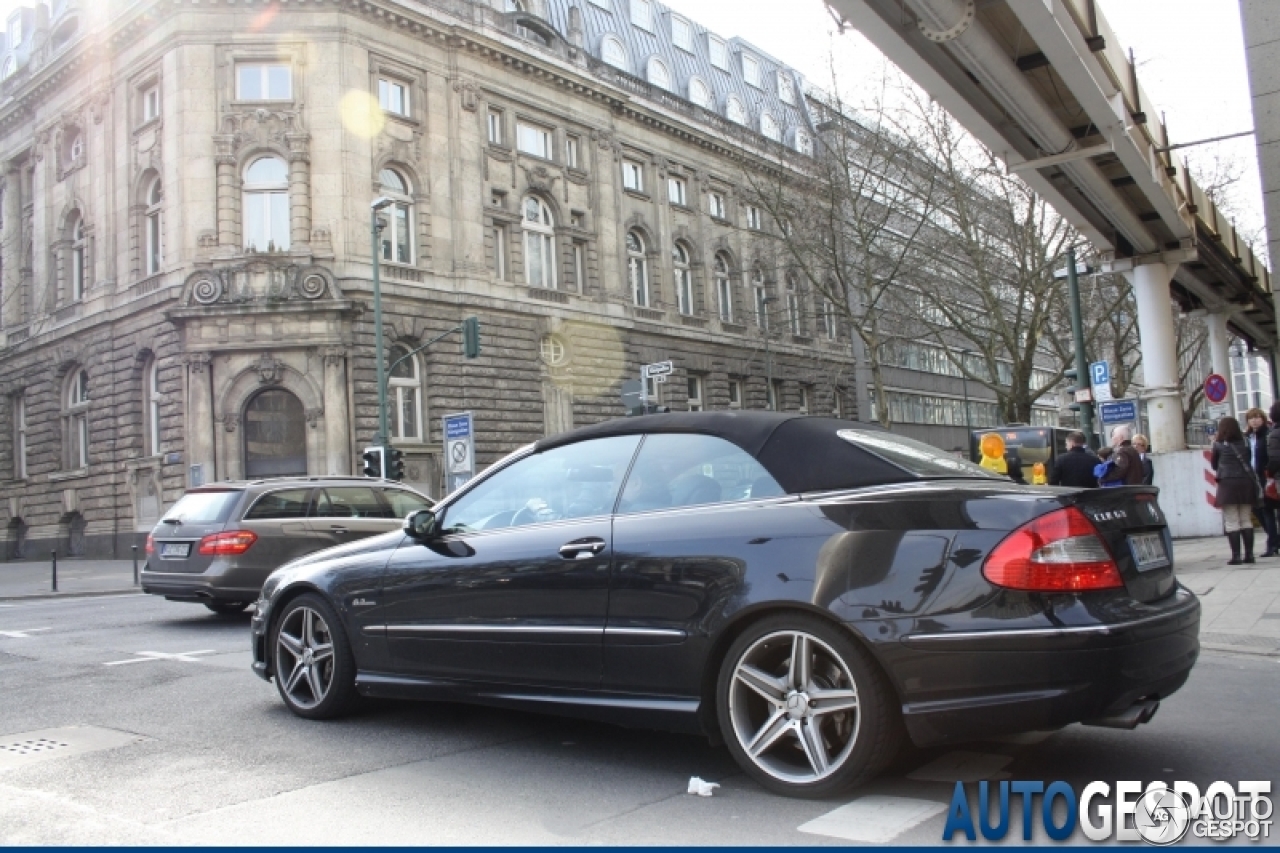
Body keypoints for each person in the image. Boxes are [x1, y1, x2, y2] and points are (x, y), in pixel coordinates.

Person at [1211, 416, 1261, 565]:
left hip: (1227, 484)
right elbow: (1249, 460)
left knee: (1232, 520)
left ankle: (1236, 556)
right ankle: (1250, 555)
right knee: (1245, 518)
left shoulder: (1218, 444)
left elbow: (1214, 465)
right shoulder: (1245, 442)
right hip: (1246, 483)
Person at [1244, 408, 1279, 557]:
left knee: (1268, 509)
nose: (1254, 420)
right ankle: (1274, 540)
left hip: (1267, 475)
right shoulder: (1248, 437)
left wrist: (1268, 471)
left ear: (1263, 419)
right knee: (1259, 509)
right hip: (1253, 477)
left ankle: (1272, 544)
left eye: (1257, 417)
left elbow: (1271, 455)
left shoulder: (1267, 434)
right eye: (1251, 418)